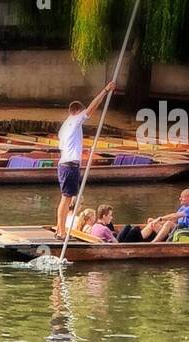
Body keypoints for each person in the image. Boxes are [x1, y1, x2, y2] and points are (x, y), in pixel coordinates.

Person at [55, 80, 117, 236]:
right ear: (76, 111)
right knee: (66, 199)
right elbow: (91, 109)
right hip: (69, 165)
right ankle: (61, 231)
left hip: (65, 164)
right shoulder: (75, 120)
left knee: (66, 198)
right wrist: (105, 90)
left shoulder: (64, 127)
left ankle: (58, 228)